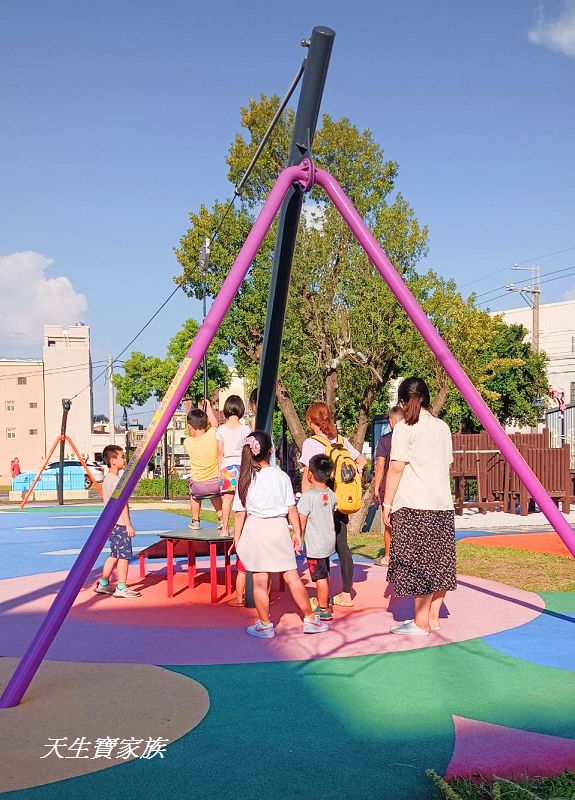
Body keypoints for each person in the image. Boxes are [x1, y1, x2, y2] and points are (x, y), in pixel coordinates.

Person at [231, 430, 329, 639]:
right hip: (278, 528)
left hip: (255, 530)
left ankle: (265, 624)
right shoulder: (281, 476)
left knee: (259, 580)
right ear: (270, 451)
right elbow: (291, 507)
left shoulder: (245, 478)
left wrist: (237, 539)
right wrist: (297, 533)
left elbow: (240, 514)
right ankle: (310, 619)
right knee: (292, 577)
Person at [383, 377, 456, 636]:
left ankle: (420, 622)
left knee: (418, 564)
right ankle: (431, 616)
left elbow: (396, 468)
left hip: (414, 504)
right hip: (442, 504)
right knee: (440, 562)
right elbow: (447, 465)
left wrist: (387, 503)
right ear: (426, 397)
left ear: (402, 402)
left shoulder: (404, 428)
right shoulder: (442, 427)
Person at [300, 402, 367, 608]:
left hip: (320, 500)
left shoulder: (311, 443)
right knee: (342, 545)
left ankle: (323, 598)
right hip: (340, 498)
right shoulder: (340, 440)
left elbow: (306, 476)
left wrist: (305, 502)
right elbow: (362, 461)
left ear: (311, 421)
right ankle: (346, 594)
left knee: (322, 546)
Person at [94, 445, 141, 598]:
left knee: (115, 553)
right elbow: (121, 505)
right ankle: (121, 586)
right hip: (120, 523)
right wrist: (128, 524)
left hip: (112, 523)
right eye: (121, 456)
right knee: (124, 556)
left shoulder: (108, 479)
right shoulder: (114, 481)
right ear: (113, 461)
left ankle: (104, 583)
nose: (124, 459)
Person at [298, 454, 337, 621]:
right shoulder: (331, 494)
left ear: (310, 474)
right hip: (328, 541)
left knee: (319, 576)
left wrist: (297, 535)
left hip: (315, 545)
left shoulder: (308, 497)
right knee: (324, 571)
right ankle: (324, 599)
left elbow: (302, 519)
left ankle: (323, 608)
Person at [183, 401, 223, 530]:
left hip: (198, 485)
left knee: (194, 495)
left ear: (190, 427)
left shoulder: (187, 443)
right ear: (206, 425)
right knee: (215, 495)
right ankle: (221, 518)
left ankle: (195, 520)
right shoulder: (212, 435)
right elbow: (215, 424)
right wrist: (209, 408)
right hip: (215, 483)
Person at [373, 406, 404, 567]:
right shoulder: (410, 438)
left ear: (391, 421)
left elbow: (380, 466)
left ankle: (388, 556)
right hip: (407, 485)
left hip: (389, 485)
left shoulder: (385, 440)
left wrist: (377, 487)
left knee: (389, 524)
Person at [216, 395, 251, 535]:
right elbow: (248, 451)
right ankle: (243, 529)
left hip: (227, 466)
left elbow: (220, 452)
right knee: (243, 499)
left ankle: (225, 528)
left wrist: (219, 469)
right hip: (242, 466)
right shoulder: (245, 429)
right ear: (241, 409)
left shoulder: (221, 430)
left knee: (227, 499)